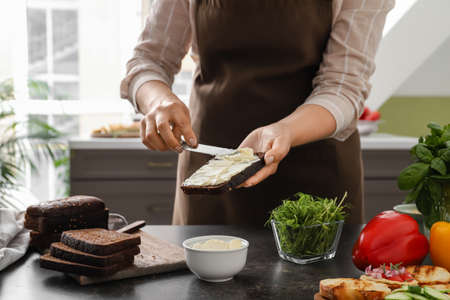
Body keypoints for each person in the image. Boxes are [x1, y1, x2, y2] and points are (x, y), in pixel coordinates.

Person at [120, 0, 395, 225]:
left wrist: (284, 131)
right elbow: (149, 60)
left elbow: (343, 86)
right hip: (213, 174)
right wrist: (158, 101)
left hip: (316, 175)